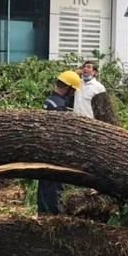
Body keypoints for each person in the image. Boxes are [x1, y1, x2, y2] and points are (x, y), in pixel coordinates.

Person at [37, 70, 80, 216]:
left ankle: (43, 212)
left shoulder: (49, 100)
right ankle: (53, 213)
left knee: (44, 181)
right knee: (55, 183)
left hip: (44, 145)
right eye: (73, 90)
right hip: (54, 149)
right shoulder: (59, 105)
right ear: (68, 88)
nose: (73, 94)